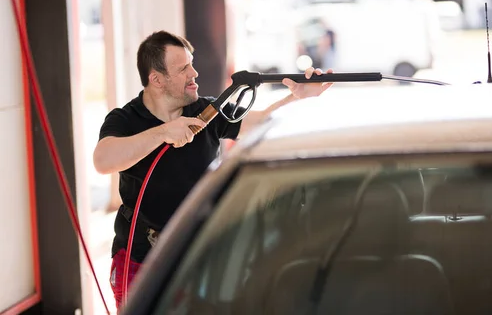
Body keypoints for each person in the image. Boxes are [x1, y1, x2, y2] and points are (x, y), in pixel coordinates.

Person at [93, 30, 334, 311]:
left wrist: (299, 98)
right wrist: (163, 133)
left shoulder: (206, 110)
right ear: (156, 79)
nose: (194, 73)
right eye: (183, 69)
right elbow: (103, 160)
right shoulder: (126, 119)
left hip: (199, 252)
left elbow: (258, 123)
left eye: (191, 63)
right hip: (140, 258)